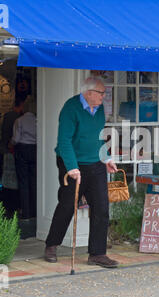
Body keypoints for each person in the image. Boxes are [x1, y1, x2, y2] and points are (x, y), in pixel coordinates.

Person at [44, 77, 119, 268]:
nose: (104, 96)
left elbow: (99, 137)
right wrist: (71, 167)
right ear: (89, 93)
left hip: (95, 163)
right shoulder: (71, 108)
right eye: (101, 93)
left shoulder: (100, 109)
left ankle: (97, 253)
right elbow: (64, 141)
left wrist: (107, 158)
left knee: (101, 207)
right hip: (72, 162)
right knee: (68, 205)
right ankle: (51, 245)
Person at [0, 94, 25, 218]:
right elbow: (15, 137)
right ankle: (14, 205)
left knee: (6, 179)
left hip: (5, 148)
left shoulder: (7, 116)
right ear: (21, 105)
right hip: (12, 150)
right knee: (14, 179)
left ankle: (6, 205)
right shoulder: (18, 118)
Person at [12, 99, 37, 220]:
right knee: (34, 181)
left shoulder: (19, 121)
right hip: (35, 150)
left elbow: (16, 139)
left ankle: (25, 212)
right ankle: (35, 211)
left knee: (23, 182)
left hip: (22, 150)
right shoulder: (38, 121)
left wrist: (10, 143)